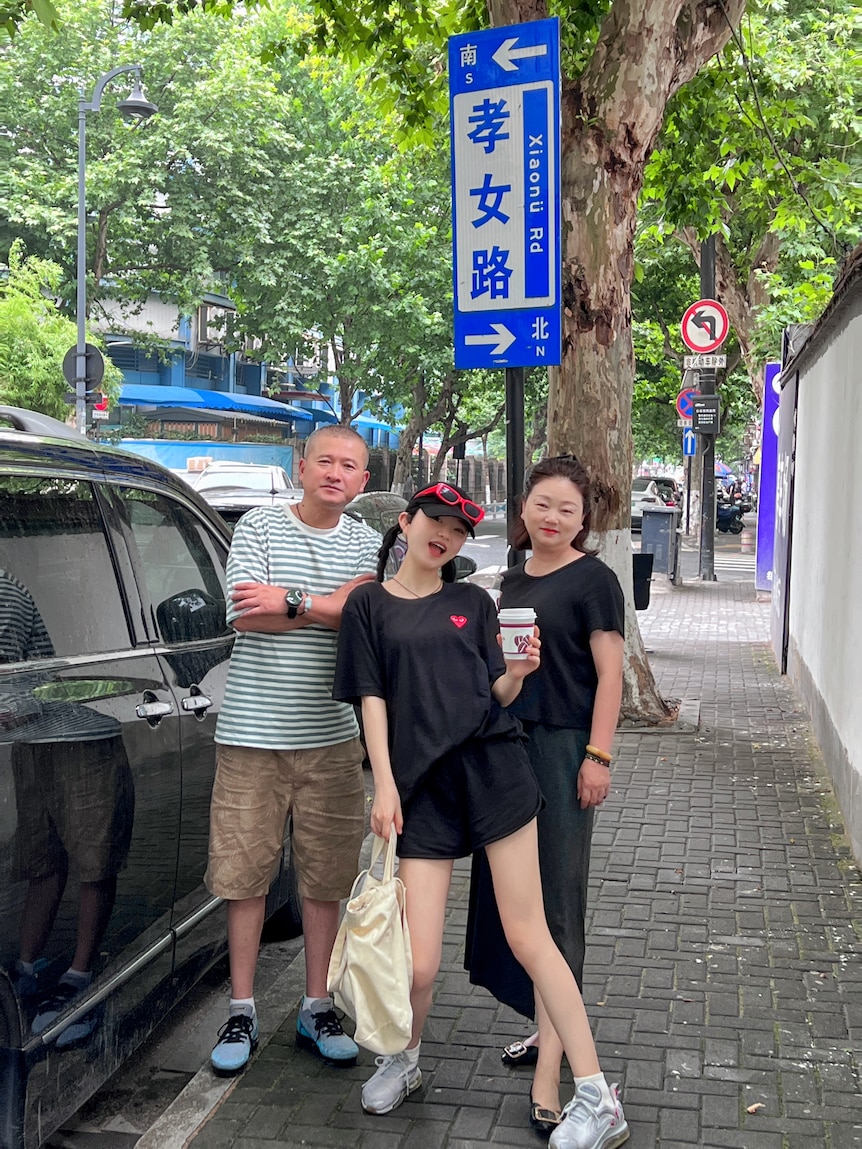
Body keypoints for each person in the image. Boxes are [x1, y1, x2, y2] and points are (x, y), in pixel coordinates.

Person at [333, 482, 628, 1149]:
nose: (445, 535)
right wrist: (384, 784)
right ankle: (404, 1057)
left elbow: (493, 689)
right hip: (422, 787)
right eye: (435, 520)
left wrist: (519, 674)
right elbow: (371, 698)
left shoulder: (473, 600)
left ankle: (595, 1093)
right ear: (406, 522)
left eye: (460, 529)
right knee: (418, 960)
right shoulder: (368, 605)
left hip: (495, 769)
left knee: (531, 935)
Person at [205, 426, 380, 1076]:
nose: (336, 472)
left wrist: (294, 600)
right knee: (243, 876)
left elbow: (367, 616)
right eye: (325, 461)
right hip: (252, 734)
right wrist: (331, 605)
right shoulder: (258, 527)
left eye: (350, 465)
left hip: (334, 737)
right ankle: (242, 1006)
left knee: (326, 878)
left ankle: (316, 1003)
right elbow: (245, 613)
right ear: (300, 466)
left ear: (364, 480)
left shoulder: (370, 543)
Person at [466, 455, 625, 1143]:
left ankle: (553, 1072)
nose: (552, 517)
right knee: (517, 903)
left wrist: (598, 755)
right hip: (507, 745)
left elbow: (611, 675)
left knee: (559, 905)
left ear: (584, 518)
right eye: (541, 504)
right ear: (523, 508)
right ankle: (544, 1029)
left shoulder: (595, 579)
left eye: (566, 508)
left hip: (564, 751)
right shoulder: (511, 575)